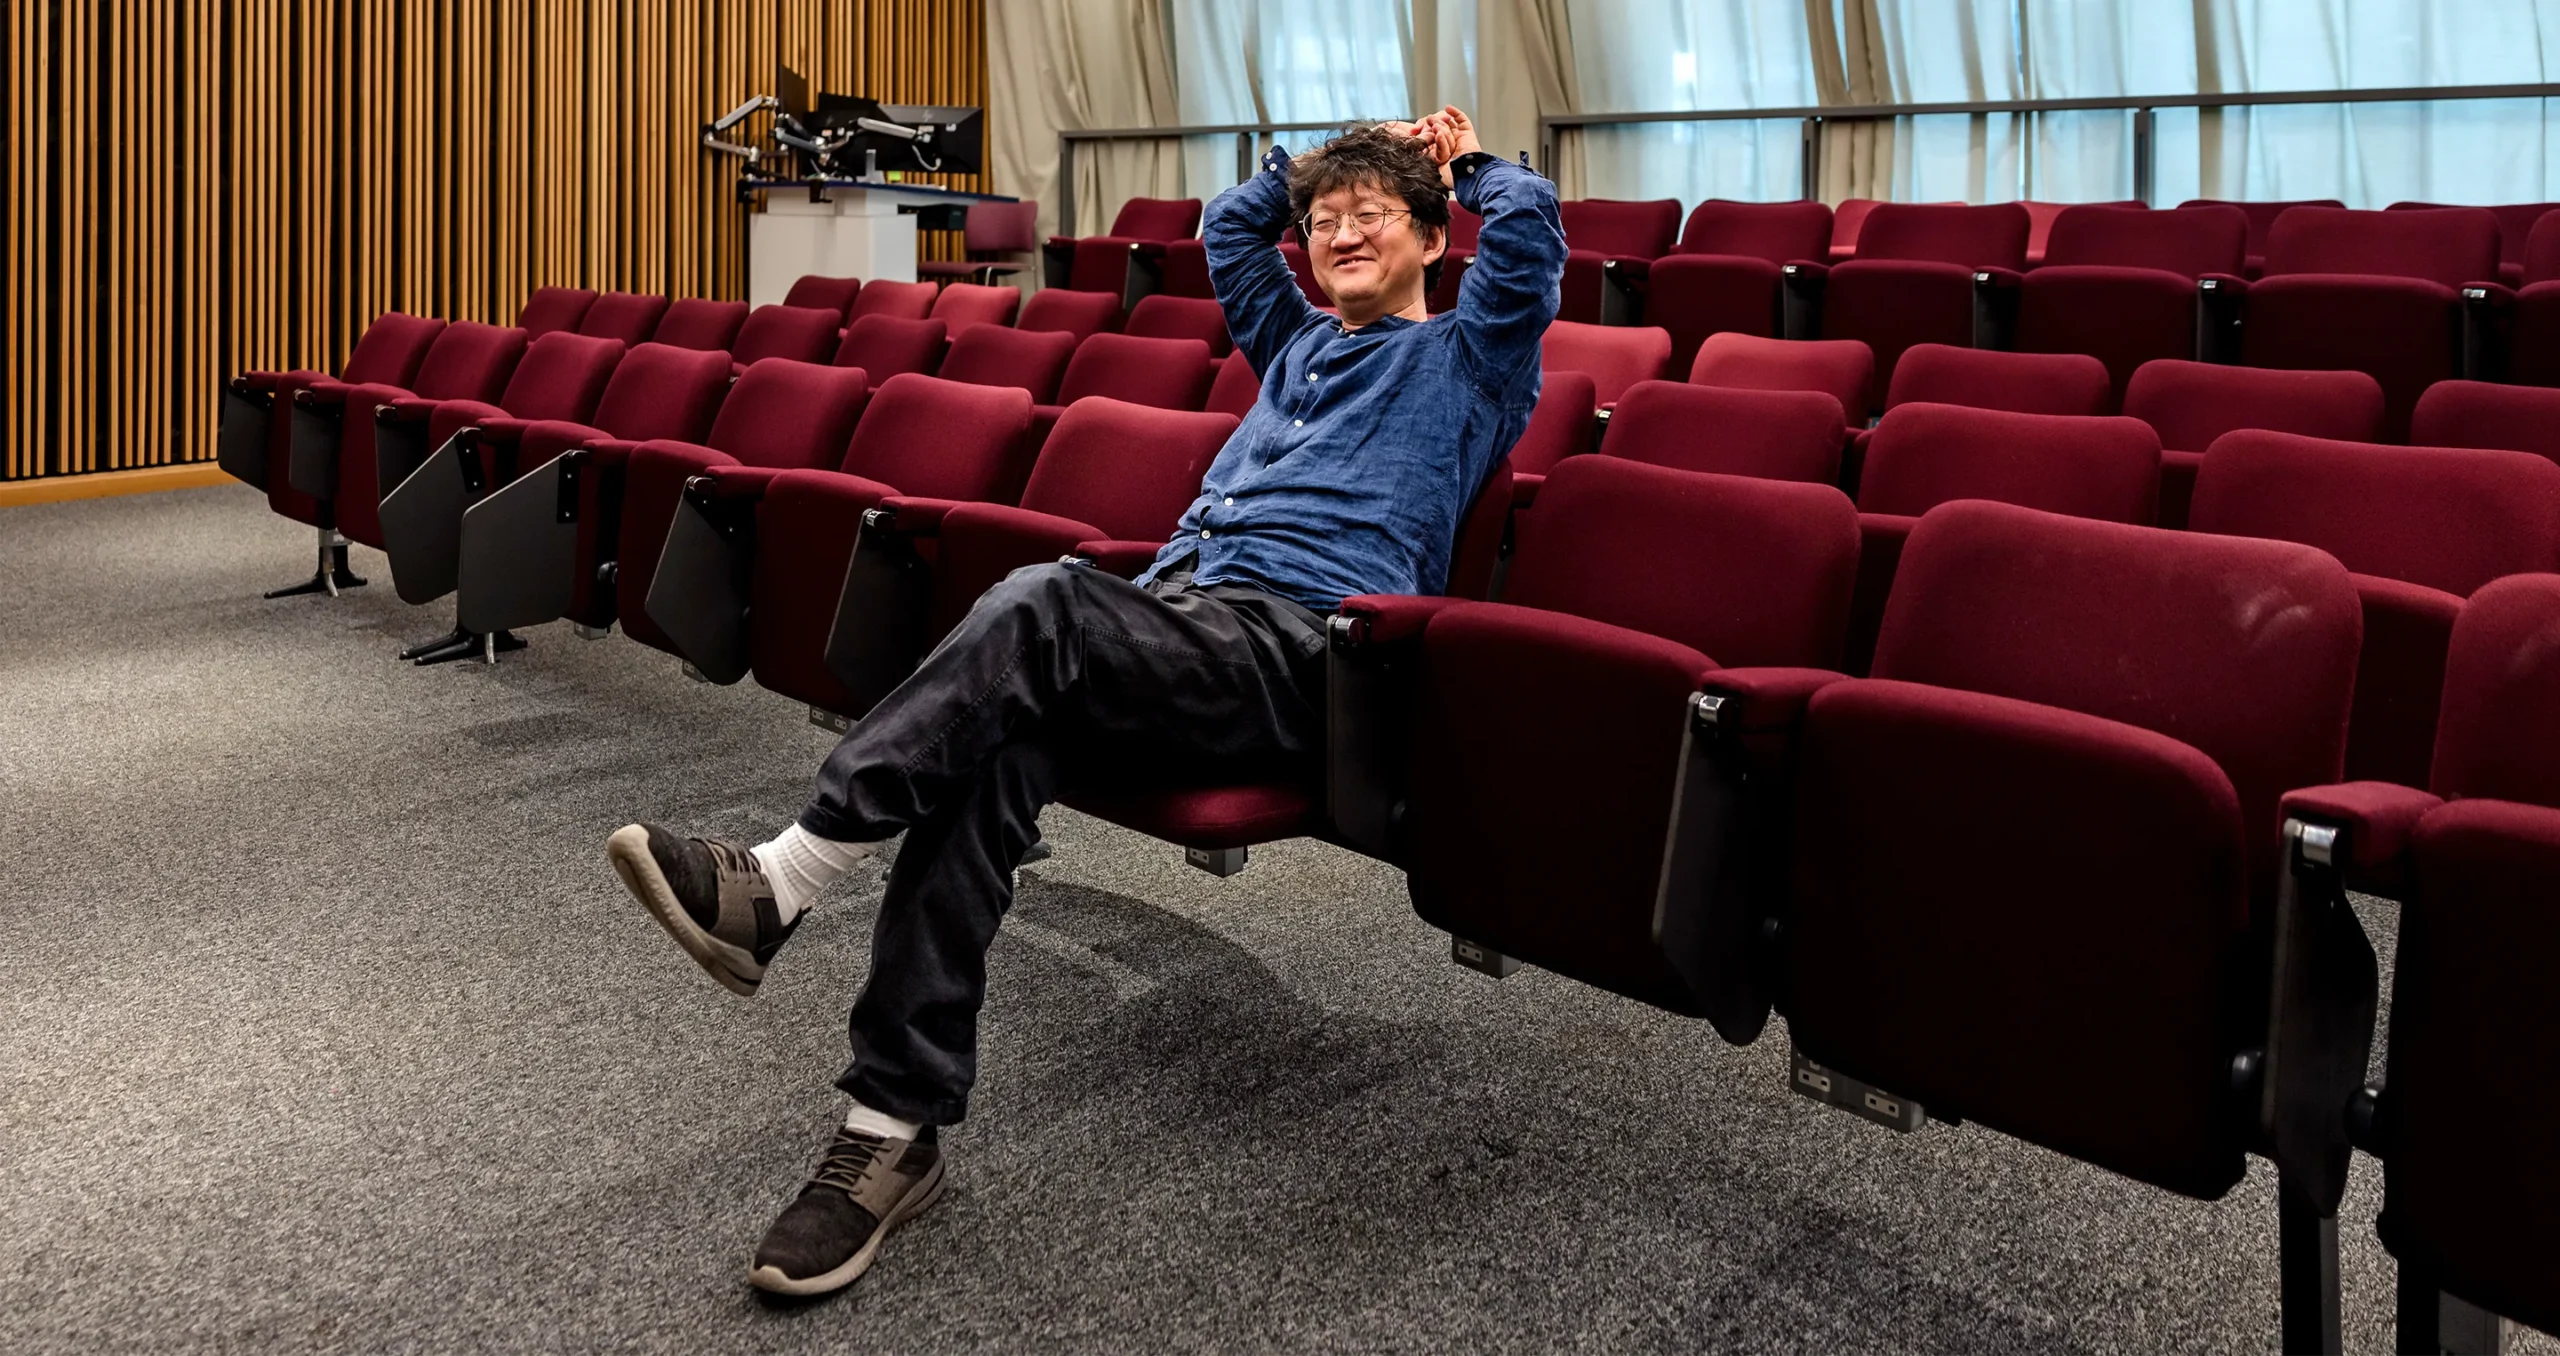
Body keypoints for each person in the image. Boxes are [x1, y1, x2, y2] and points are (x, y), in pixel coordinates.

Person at [604, 105, 1564, 1298]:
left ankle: (787, 877)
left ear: (1431, 238)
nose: (1338, 234)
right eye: (1322, 224)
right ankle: (890, 1132)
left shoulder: (1473, 361)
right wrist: (1313, 161)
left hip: (1303, 655)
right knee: (990, 751)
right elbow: (1229, 233)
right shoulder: (1298, 346)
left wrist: (1463, 164)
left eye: (1372, 216)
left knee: (1046, 597)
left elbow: (1528, 238)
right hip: (1184, 622)